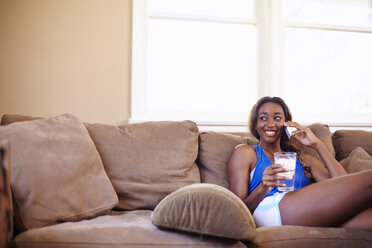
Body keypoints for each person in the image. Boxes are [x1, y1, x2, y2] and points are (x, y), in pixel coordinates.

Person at [228, 96, 372, 230]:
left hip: (306, 213)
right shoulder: (245, 152)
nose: (270, 124)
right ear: (255, 124)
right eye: (263, 118)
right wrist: (263, 188)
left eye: (277, 118)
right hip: (270, 210)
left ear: (286, 124)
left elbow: (343, 188)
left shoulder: (304, 160)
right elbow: (235, 211)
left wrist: (317, 144)